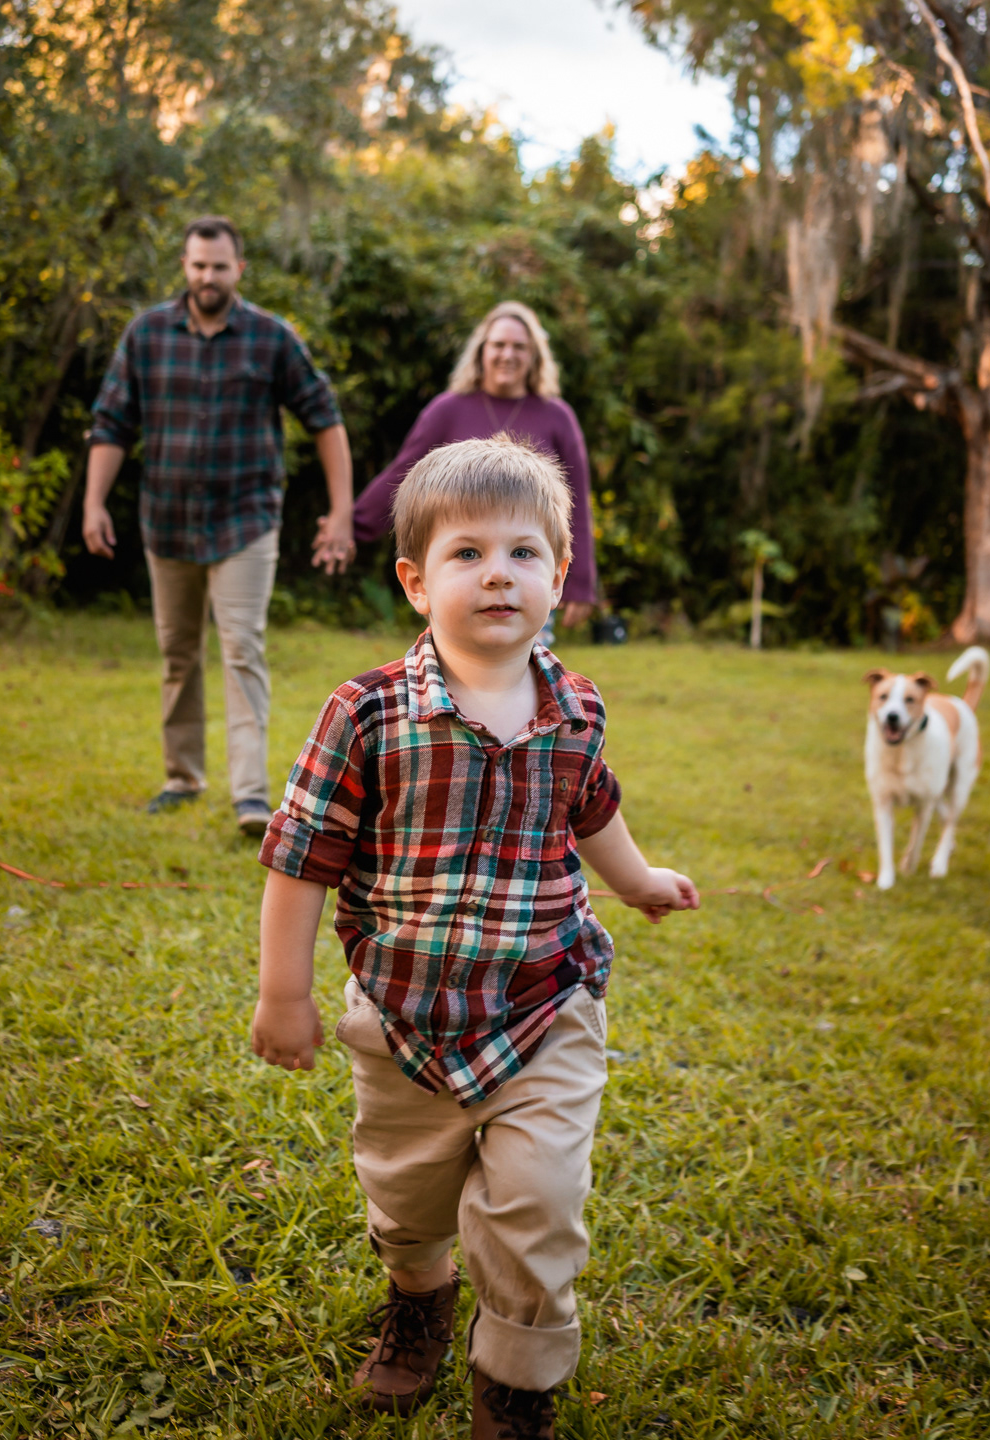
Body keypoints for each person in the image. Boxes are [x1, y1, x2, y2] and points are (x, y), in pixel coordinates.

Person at [252, 436, 698, 1438]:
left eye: (524, 553)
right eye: (467, 554)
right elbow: (301, 858)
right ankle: (420, 1296)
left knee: (539, 1202)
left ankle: (516, 1385)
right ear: (416, 581)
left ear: (560, 576)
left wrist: (636, 881)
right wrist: (285, 993)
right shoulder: (365, 715)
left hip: (548, 1003)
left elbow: (591, 809)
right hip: (404, 1019)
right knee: (406, 1201)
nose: (498, 572)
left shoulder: (577, 707)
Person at [84, 215, 355, 835]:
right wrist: (93, 503)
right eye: (198, 265)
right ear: (185, 266)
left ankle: (251, 798)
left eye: (219, 266)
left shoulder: (271, 338)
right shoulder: (147, 334)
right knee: (178, 653)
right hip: (168, 522)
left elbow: (324, 417)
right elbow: (112, 424)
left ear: (240, 269)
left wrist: (340, 509)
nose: (208, 276)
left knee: (241, 648)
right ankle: (182, 778)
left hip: (245, 521)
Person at [348, 301, 597, 642]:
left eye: (519, 347)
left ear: (535, 356)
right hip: (463, 574)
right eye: (498, 345)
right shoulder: (448, 409)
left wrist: (580, 583)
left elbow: (576, 505)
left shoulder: (557, 416)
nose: (507, 354)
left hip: (523, 572)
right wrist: (348, 526)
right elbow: (402, 476)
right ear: (481, 352)